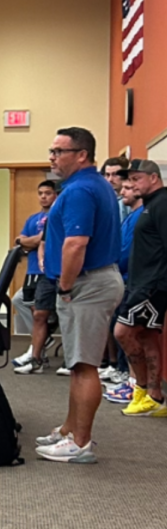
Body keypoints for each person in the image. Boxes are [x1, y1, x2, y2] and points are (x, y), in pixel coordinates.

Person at [34, 127, 124, 464]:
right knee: (76, 365)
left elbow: (76, 244)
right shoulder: (83, 186)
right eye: (52, 150)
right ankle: (69, 430)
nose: (52, 157)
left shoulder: (82, 190)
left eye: (59, 151)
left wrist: (66, 286)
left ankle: (81, 444)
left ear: (82, 154)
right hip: (93, 281)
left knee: (85, 365)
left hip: (87, 283)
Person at [112, 160, 167, 417]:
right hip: (141, 283)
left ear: (153, 178)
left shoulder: (163, 203)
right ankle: (154, 397)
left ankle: (142, 389)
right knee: (147, 336)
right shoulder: (149, 205)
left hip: (151, 285)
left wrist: (157, 284)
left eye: (136, 179)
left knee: (122, 332)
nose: (130, 185)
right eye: (129, 180)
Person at [105, 177, 145, 404]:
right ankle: (132, 381)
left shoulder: (142, 216)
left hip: (134, 281)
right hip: (125, 280)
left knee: (128, 333)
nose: (123, 191)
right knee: (121, 331)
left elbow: (128, 252)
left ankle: (136, 384)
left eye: (129, 188)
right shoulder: (131, 216)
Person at [13, 180, 60, 375]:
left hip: (51, 272)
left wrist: (33, 241)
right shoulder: (33, 219)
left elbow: (44, 241)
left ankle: (38, 349)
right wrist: (34, 240)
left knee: (43, 313)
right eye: (40, 193)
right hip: (33, 269)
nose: (43, 197)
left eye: (47, 193)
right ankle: (38, 347)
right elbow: (20, 241)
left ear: (56, 194)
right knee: (24, 303)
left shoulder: (57, 217)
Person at [102, 155, 131, 221]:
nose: (110, 179)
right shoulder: (105, 199)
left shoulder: (131, 201)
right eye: (107, 175)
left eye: (115, 174)